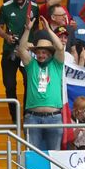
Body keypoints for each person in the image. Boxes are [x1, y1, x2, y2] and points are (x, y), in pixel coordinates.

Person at [17, 17, 64, 151]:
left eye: (44, 52)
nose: (41, 55)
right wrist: (27, 29)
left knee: (55, 156)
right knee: (32, 156)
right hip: (32, 117)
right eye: (38, 52)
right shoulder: (31, 65)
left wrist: (49, 30)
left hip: (54, 117)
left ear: (50, 53)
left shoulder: (57, 65)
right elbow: (21, 49)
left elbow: (60, 47)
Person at [0, 0, 40, 123]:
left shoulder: (34, 7)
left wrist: (33, 44)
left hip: (27, 52)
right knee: (9, 85)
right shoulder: (5, 7)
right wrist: (6, 37)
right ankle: (14, 117)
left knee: (29, 83)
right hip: (10, 52)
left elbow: (37, 29)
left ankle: (28, 115)